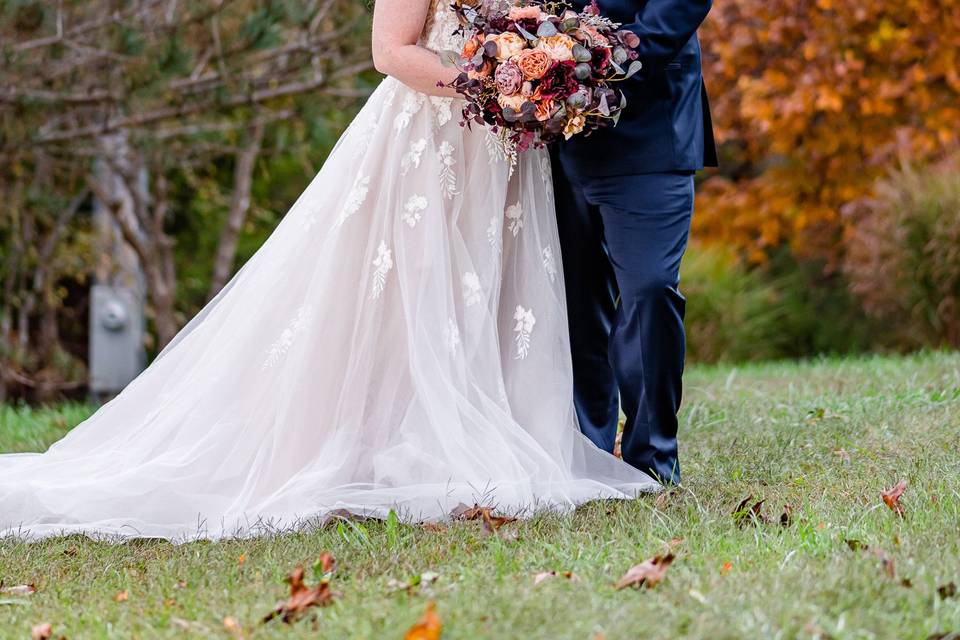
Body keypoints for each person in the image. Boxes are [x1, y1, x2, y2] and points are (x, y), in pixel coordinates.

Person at [0, 0, 658, 543]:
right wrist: (489, 84)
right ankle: (389, 445)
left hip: (510, 153)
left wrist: (547, 77)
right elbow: (390, 51)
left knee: (493, 296)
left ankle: (502, 431)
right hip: (430, 141)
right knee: (409, 297)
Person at [554, 0, 718, 485]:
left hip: (650, 126)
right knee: (575, 306)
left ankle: (651, 459)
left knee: (649, 291)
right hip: (549, 139)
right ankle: (586, 454)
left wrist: (592, 68)